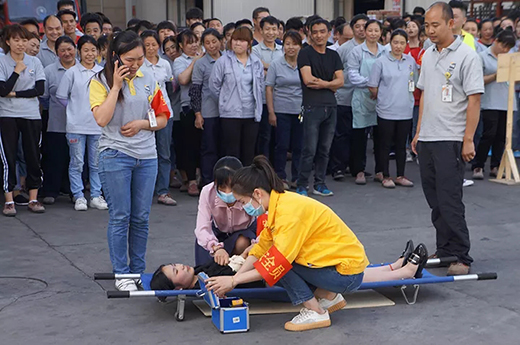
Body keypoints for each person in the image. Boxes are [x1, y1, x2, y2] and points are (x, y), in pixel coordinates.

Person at [204, 156, 429, 331]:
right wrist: (235, 280)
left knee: (279, 266)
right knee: (270, 257)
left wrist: (233, 281)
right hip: (342, 266)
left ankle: (316, 311)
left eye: (243, 202)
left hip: (346, 274)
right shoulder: (278, 205)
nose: (243, 208)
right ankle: (328, 296)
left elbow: (275, 262)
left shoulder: (287, 213)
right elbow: (261, 248)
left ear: (257, 194)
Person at [89, 30, 171, 291]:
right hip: (115, 154)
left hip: (146, 157)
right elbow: (101, 118)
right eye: (129, 59)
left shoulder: (150, 78)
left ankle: (137, 271)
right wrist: (115, 86)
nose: (135, 65)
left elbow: (162, 118)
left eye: (139, 59)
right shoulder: (99, 82)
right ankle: (121, 274)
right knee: (120, 216)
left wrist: (142, 124)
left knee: (141, 218)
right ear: (115, 57)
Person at [411, 2, 484, 276]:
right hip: (429, 136)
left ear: (451, 23)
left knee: (450, 198)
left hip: (451, 137)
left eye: (435, 25)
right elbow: (425, 95)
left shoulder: (467, 56)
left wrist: (468, 139)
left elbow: (474, 99)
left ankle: (461, 255)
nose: (429, 30)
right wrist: (419, 132)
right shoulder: (427, 55)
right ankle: (444, 250)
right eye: (426, 25)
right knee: (434, 199)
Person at [153, 240, 428, 292]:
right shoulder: (205, 286)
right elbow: (238, 275)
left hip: (264, 267)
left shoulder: (202, 269)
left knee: (339, 272)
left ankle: (396, 267)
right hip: (269, 276)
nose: (181, 267)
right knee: (338, 277)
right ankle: (403, 272)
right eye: (176, 272)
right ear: (178, 288)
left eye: (176, 265)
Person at [56, 35, 107, 211]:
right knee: (77, 163)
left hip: (97, 126)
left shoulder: (102, 72)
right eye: (86, 50)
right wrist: (74, 109)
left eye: (93, 50)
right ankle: (78, 196)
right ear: (79, 52)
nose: (90, 54)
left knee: (96, 163)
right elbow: (61, 96)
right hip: (76, 126)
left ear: (98, 52)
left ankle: (95, 195)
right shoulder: (72, 72)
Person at [0, 25, 46, 216]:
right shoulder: (2, 62)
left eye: (23, 40)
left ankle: (33, 198)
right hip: (7, 115)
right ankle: (9, 200)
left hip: (31, 114)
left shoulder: (35, 62)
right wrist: (17, 71)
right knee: (8, 158)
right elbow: (2, 90)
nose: (20, 44)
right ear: (8, 41)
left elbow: (39, 90)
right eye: (16, 40)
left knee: (33, 155)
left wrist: (15, 93)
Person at [296, 18, 343, 197]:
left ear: (329, 32)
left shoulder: (334, 55)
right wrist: (330, 83)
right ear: (309, 33)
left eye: (322, 31)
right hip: (311, 107)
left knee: (325, 149)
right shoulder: (305, 54)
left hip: (331, 107)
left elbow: (341, 81)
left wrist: (322, 83)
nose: (319, 35)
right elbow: (308, 80)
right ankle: (302, 185)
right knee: (309, 149)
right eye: (315, 32)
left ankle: (320, 183)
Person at [368, 29, 417, 188]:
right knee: (385, 144)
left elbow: (414, 82)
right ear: (390, 43)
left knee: (401, 144)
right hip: (386, 110)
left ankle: (401, 175)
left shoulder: (410, 61)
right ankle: (385, 175)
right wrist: (383, 97)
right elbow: (373, 86)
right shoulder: (381, 62)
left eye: (402, 43)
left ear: (406, 44)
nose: (398, 46)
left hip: (405, 110)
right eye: (395, 42)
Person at [209, 27, 264, 166]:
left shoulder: (256, 61)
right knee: (231, 152)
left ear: (250, 43)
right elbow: (214, 86)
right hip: (230, 113)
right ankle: (232, 183)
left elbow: (260, 86)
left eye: (242, 40)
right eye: (235, 40)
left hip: (251, 113)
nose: (237, 44)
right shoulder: (223, 61)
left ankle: (246, 184)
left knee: (249, 152)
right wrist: (225, 100)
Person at [194, 156, 257, 265]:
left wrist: (257, 244)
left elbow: (266, 222)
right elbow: (202, 228)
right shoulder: (207, 192)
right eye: (222, 188)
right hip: (217, 232)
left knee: (243, 243)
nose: (227, 192)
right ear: (215, 183)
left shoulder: (251, 191)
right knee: (205, 259)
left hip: (245, 231)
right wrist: (216, 248)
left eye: (232, 188)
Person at [472, 30, 516, 180]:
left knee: (502, 136)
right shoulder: (482, 56)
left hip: (507, 100)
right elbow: (478, 79)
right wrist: (495, 76)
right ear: (496, 41)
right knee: (488, 134)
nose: (505, 50)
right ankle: (478, 165)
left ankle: (496, 165)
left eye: (508, 48)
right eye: (504, 46)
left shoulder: (511, 58)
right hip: (489, 101)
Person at [139, 30, 176, 206]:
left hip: (163, 113)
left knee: (164, 152)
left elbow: (169, 88)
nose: (151, 48)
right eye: (147, 45)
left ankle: (163, 191)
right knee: (145, 152)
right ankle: (146, 191)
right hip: (144, 114)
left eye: (154, 44)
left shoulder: (165, 65)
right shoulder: (139, 65)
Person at [330, 14, 368, 181]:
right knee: (342, 134)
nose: (361, 29)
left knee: (360, 134)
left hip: (365, 99)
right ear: (352, 29)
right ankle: (339, 167)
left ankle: (357, 167)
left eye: (364, 26)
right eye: (357, 26)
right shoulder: (344, 49)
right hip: (345, 96)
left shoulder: (373, 48)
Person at [347, 19, 385, 185]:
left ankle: (380, 170)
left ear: (381, 33)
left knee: (381, 137)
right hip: (362, 97)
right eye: (370, 30)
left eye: (376, 31)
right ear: (365, 31)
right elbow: (352, 75)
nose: (373, 34)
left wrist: (378, 86)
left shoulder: (386, 51)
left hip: (382, 98)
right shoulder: (356, 51)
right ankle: (359, 170)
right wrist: (371, 83)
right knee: (359, 138)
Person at [41, 36, 76, 205]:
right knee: (55, 158)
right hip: (56, 123)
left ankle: (74, 191)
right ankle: (51, 191)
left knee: (76, 159)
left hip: (79, 124)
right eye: (62, 50)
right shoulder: (49, 71)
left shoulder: (83, 69)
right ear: (56, 53)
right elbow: (45, 98)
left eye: (69, 49)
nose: (66, 53)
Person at [266, 31, 303, 189]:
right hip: (281, 110)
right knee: (281, 145)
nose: (291, 47)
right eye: (287, 44)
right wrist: (271, 112)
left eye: (294, 44)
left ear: (300, 46)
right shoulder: (276, 64)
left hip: (301, 111)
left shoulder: (305, 63)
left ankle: (298, 176)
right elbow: (269, 88)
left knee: (299, 145)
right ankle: (280, 176)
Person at [189, 29, 223, 186]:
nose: (211, 46)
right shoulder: (201, 63)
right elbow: (195, 89)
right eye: (207, 43)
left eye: (214, 41)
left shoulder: (228, 59)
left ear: (220, 41)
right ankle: (208, 181)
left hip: (228, 111)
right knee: (209, 149)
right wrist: (198, 113)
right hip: (208, 111)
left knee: (224, 148)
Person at [173, 30, 203, 196]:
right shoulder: (179, 61)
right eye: (189, 42)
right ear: (181, 46)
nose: (193, 45)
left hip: (208, 106)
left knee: (204, 145)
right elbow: (182, 80)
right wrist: (195, 62)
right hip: (188, 107)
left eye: (195, 41)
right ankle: (191, 180)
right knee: (189, 145)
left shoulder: (206, 56)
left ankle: (202, 178)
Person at [252, 16, 283, 158]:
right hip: (263, 100)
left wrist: (268, 69)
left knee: (279, 139)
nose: (271, 32)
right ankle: (263, 168)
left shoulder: (283, 49)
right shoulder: (254, 50)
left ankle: (277, 172)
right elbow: (258, 70)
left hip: (282, 100)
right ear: (261, 31)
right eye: (267, 29)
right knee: (265, 136)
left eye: (274, 29)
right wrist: (278, 71)